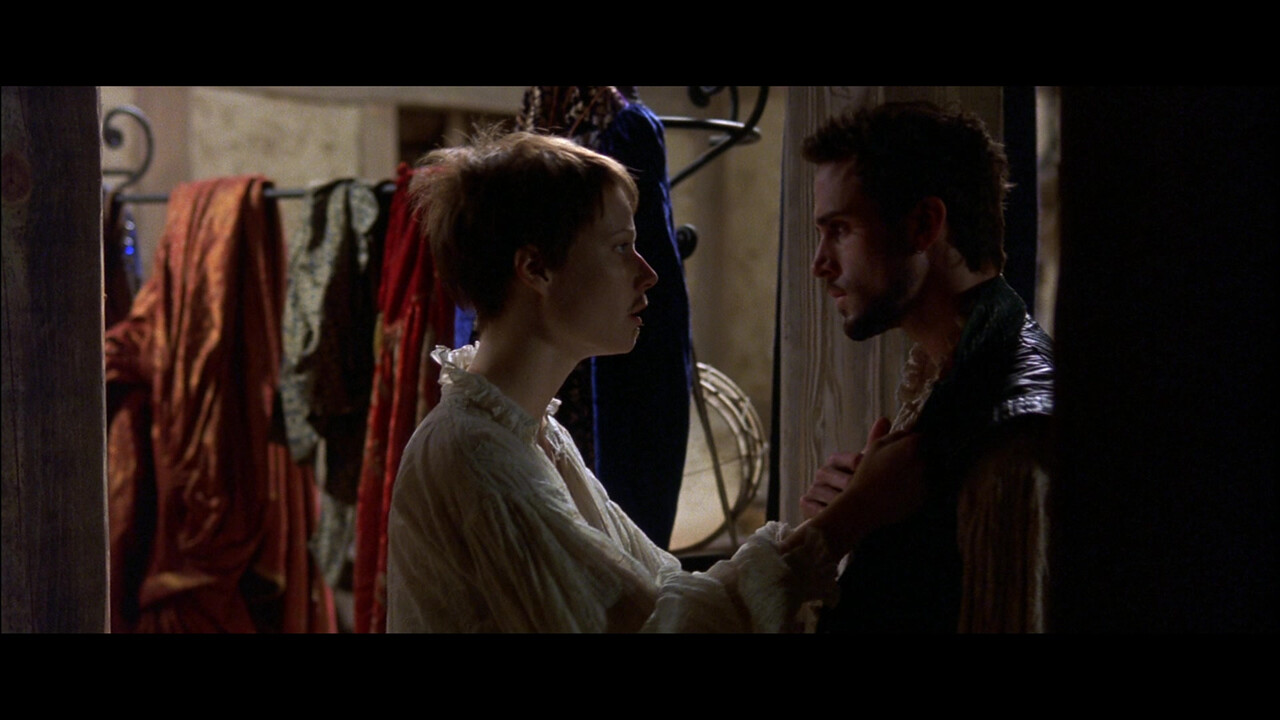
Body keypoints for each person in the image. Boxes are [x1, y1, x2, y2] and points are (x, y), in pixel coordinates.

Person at [384, 130, 923, 632]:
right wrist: (843, 524)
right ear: (536, 269)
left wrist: (829, 527)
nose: (648, 273)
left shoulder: (532, 434)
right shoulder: (473, 451)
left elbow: (662, 591)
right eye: (620, 247)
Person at [799, 101, 1055, 633]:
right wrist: (862, 516)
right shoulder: (953, 371)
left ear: (923, 225)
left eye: (840, 229)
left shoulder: (1005, 444)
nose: (819, 263)